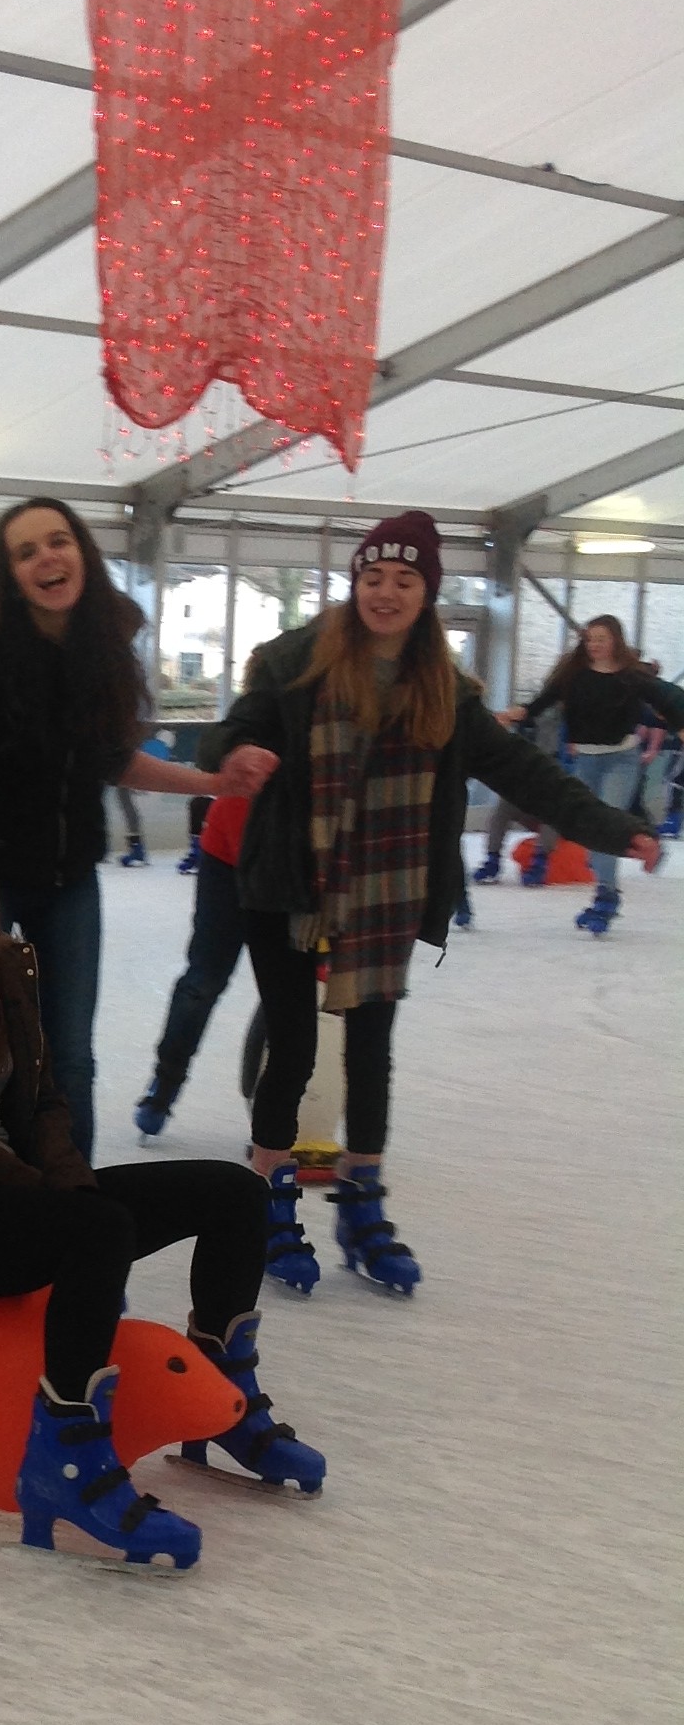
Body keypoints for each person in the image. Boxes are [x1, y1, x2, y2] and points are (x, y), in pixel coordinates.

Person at [0, 816, 325, 1572]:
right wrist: (39, 1188)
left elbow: (43, 1101)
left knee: (235, 1192)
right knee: (96, 1229)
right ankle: (67, 1456)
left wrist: (67, 1183)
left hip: (28, 1197)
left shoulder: (6, 967)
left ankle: (227, 1394)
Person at [216, 514, 662, 1294]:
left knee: (371, 1051)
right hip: (288, 883)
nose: (386, 592)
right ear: (356, 584)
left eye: (405, 580)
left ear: (427, 594)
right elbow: (235, 731)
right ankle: (268, 1203)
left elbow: (525, 772)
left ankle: (361, 1206)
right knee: (292, 1047)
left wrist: (614, 828)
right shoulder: (293, 663)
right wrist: (239, 752)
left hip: (388, 891)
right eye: (373, 577)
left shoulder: (446, 693)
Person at [0, 497, 271, 1157]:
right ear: (10, 575)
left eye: (58, 541)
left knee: (72, 1058)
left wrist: (215, 784)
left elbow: (115, 760)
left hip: (70, 881)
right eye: (26, 552)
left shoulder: (100, 652)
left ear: (81, 550)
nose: (47, 558)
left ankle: (71, 1192)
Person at [496, 614, 684, 933]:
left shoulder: (631, 677)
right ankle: (639, 846)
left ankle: (606, 896)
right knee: (588, 829)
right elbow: (543, 701)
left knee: (604, 824)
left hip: (620, 760)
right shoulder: (574, 676)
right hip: (585, 760)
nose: (594, 645)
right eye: (590, 639)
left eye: (601, 639)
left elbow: (668, 699)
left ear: (615, 641)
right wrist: (518, 713)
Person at [132, 786, 251, 1140]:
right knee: (203, 980)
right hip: (228, 856)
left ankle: (278, 1109)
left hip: (298, 863)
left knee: (288, 994)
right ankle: (163, 1087)